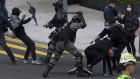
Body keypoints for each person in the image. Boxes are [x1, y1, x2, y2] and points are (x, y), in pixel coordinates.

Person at [42, 12, 90, 77]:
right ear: (76, 21)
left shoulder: (67, 24)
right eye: (78, 21)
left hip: (59, 43)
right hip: (66, 43)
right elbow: (84, 25)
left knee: (55, 58)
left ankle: (45, 72)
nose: (78, 23)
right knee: (78, 55)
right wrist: (81, 16)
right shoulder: (74, 25)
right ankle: (80, 72)